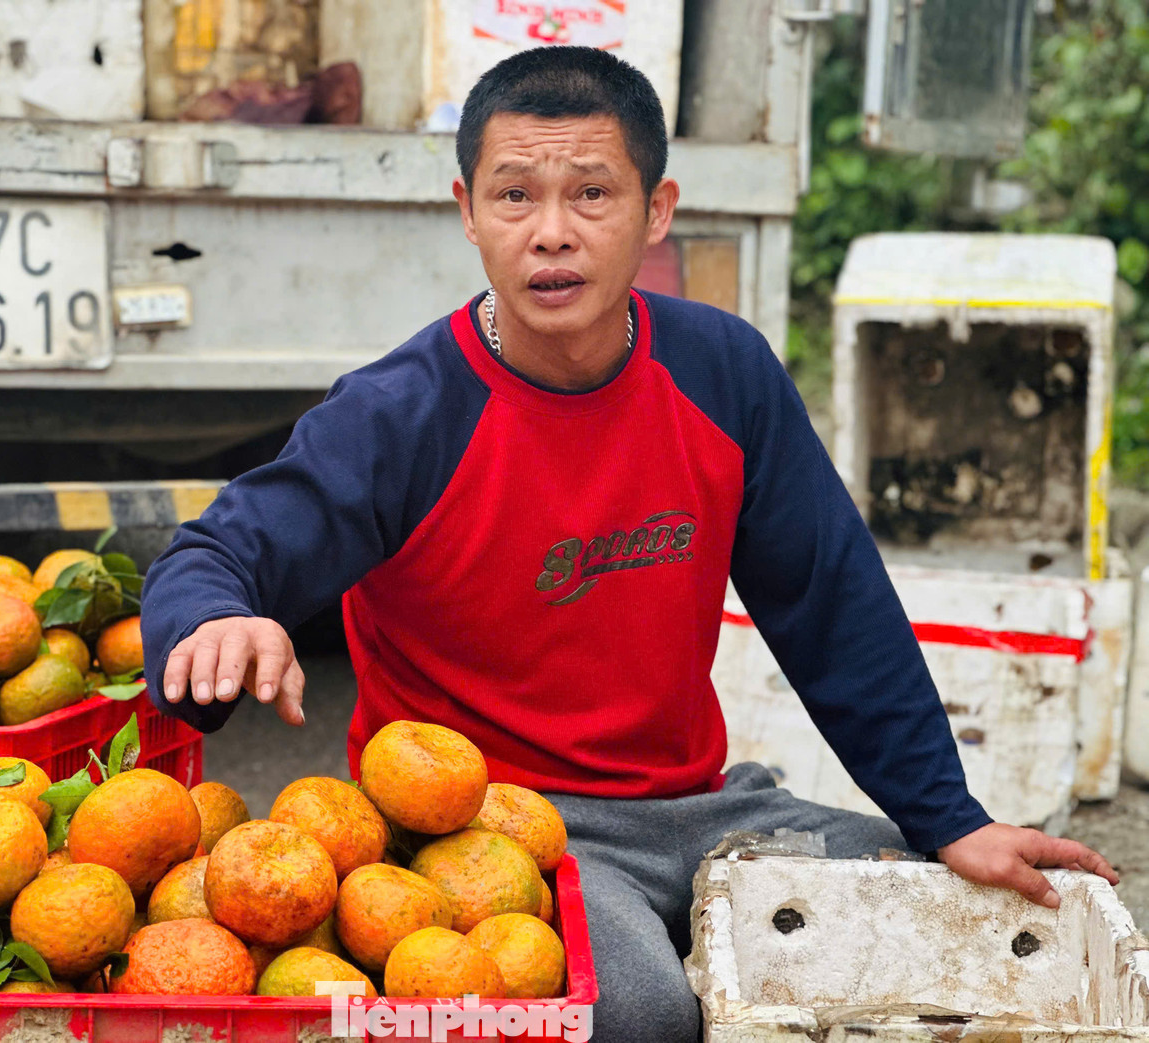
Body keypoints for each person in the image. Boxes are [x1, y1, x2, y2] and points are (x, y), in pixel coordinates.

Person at [141, 45, 1117, 1042]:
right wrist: (214, 619)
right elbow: (215, 554)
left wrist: (950, 815)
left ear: (656, 210)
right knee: (641, 1011)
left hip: (699, 807)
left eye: (592, 194)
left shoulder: (721, 370)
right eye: (513, 195)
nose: (551, 234)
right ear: (467, 213)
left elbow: (831, 605)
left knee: (961, 913)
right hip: (496, 831)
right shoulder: (403, 413)